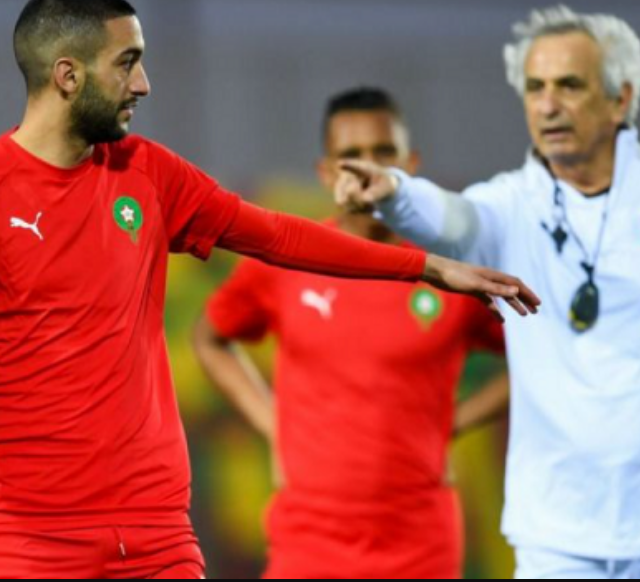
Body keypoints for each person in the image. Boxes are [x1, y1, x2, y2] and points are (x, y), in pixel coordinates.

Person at [0, 0, 538, 578]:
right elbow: (214, 336)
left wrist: (426, 267)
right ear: (67, 74)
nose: (143, 84)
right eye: (126, 63)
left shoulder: (145, 172)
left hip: (157, 532)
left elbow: (278, 234)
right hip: (34, 540)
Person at [335, 5, 640, 580]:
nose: (547, 105)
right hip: (557, 536)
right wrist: (394, 192)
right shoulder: (510, 203)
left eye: (569, 85)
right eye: (535, 88)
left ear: (619, 100)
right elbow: (452, 219)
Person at [194, 87, 511, 579]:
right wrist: (273, 423)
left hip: (420, 542)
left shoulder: (450, 273)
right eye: (351, 155)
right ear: (326, 172)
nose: (367, 168)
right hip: (309, 542)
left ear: (410, 164)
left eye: (383, 153)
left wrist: (455, 421)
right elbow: (210, 338)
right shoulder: (289, 260)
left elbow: (539, 359)